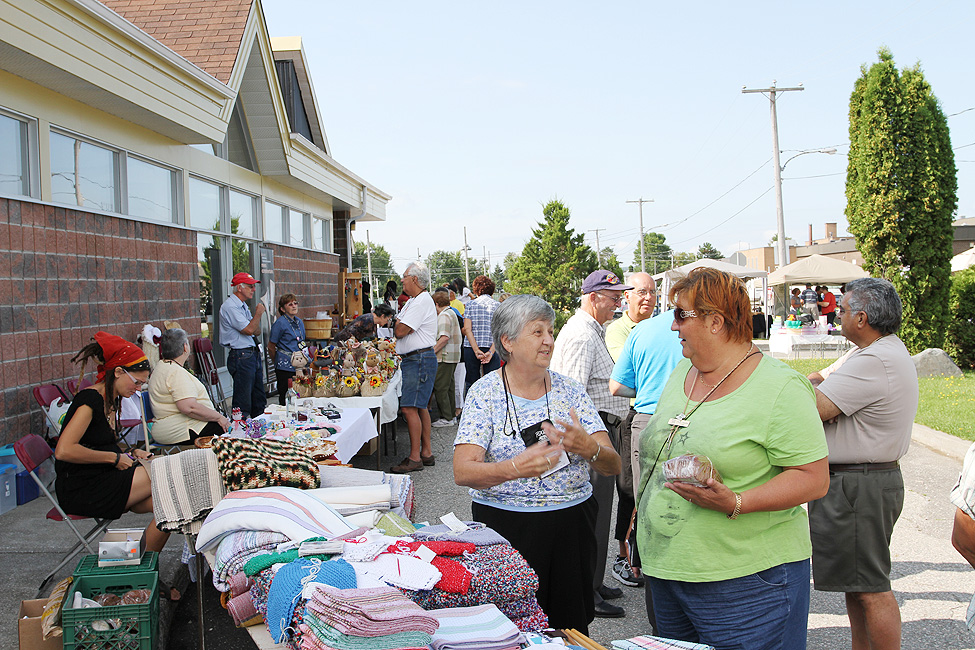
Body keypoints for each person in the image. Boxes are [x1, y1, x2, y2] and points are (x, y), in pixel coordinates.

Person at [637, 267, 829, 649]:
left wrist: (737, 502)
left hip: (747, 584)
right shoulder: (683, 370)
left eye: (681, 315)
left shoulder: (780, 387)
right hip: (670, 574)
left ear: (715, 321)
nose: (673, 326)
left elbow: (813, 477)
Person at [453, 295, 621, 634]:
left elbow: (613, 465)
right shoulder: (485, 393)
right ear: (508, 342)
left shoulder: (570, 391)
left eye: (550, 331)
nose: (549, 341)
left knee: (569, 627)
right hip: (506, 530)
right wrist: (513, 468)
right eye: (538, 332)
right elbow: (463, 471)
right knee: (511, 628)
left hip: (571, 526)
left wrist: (589, 448)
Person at [806, 277, 918, 650]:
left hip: (859, 485)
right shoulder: (872, 351)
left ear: (862, 318)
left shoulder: (874, 359)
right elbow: (819, 381)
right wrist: (816, 388)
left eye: (842, 309)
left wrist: (811, 392)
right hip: (860, 482)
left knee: (870, 588)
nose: (837, 315)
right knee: (857, 586)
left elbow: (817, 406)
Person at [54, 332, 179, 599]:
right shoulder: (89, 400)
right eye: (137, 382)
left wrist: (129, 452)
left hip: (103, 477)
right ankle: (141, 577)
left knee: (172, 506)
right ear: (119, 372)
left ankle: (142, 574)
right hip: (82, 487)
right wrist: (114, 459)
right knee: (165, 475)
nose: (139, 389)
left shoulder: (112, 399)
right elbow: (64, 450)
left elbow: (98, 443)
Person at [551, 269, 632, 619]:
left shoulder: (591, 330)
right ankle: (588, 589)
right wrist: (585, 446)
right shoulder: (583, 335)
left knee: (597, 515)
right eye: (613, 297)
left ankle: (594, 582)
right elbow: (572, 395)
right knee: (592, 517)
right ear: (593, 297)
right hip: (592, 436)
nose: (619, 303)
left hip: (599, 431)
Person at [608, 282, 685, 612]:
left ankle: (651, 582)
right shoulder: (705, 327)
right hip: (691, 417)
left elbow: (617, 385)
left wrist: (649, 389)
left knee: (647, 503)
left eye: (651, 292)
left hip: (648, 420)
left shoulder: (642, 331)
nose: (648, 297)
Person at [390, 262, 438, 474]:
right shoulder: (416, 300)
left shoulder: (420, 302)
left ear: (415, 279)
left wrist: (399, 324)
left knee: (410, 408)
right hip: (419, 358)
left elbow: (400, 330)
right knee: (420, 407)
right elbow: (400, 326)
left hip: (418, 359)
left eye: (405, 276)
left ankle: (415, 458)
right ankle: (425, 453)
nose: (402, 280)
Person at [148, 328, 230, 444]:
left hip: (171, 427)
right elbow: (189, 407)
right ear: (185, 347)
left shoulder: (161, 367)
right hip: (182, 429)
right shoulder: (175, 372)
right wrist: (219, 417)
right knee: (230, 432)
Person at [218, 272, 267, 418]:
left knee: (258, 398)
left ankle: (258, 425)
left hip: (249, 354)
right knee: (243, 400)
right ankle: (240, 427)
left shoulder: (242, 306)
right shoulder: (230, 307)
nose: (253, 289)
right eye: (250, 286)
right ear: (239, 287)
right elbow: (250, 329)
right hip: (241, 355)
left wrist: (253, 323)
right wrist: (258, 314)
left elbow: (256, 330)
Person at [461, 275, 501, 395]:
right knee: (493, 384)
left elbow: (467, 329)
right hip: (492, 346)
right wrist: (491, 352)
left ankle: (472, 405)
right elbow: (500, 331)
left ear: (476, 289)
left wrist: (476, 349)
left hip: (471, 347)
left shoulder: (470, 305)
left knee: (471, 383)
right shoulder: (498, 306)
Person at [267, 293, 306, 406]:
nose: (294, 306)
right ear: (283, 309)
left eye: (295, 303)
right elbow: (271, 346)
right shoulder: (280, 324)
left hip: (299, 363)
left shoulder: (299, 322)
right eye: (290, 304)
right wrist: (276, 360)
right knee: (286, 394)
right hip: (285, 365)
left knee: (301, 392)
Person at [431, 289, 462, 427]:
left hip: (444, 355)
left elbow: (444, 337)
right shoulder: (451, 312)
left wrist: (433, 351)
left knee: (440, 387)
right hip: (452, 355)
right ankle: (451, 416)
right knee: (449, 386)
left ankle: (446, 417)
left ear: (436, 304)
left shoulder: (443, 315)